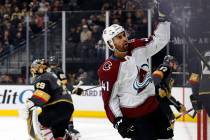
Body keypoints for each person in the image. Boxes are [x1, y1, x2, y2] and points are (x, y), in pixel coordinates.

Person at [98, 20, 172, 139]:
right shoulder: (108, 70)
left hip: (155, 108)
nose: (124, 39)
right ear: (110, 44)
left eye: (124, 35)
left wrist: (164, 21)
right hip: (136, 117)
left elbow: (159, 40)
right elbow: (110, 100)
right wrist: (118, 121)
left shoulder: (137, 47)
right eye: (119, 37)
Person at [23, 59, 75, 140]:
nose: (33, 69)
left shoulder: (43, 77)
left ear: (42, 68)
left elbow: (43, 93)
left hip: (56, 107)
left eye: (36, 67)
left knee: (39, 123)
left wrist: (31, 102)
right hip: (68, 108)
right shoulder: (52, 75)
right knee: (58, 134)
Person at [47, 56, 83, 139]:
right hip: (60, 95)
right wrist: (75, 90)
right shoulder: (58, 71)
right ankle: (70, 128)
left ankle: (51, 129)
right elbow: (64, 83)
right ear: (57, 63)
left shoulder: (46, 72)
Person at [152, 55, 186, 131]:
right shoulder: (165, 67)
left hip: (158, 99)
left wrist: (178, 105)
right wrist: (160, 87)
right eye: (173, 62)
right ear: (168, 62)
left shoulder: (169, 76)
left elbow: (167, 96)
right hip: (156, 98)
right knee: (170, 118)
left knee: (170, 118)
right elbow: (155, 76)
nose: (175, 64)